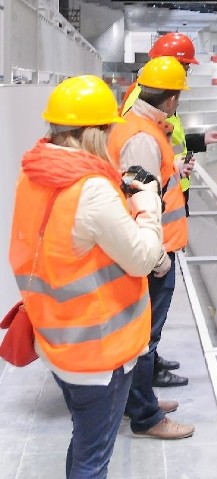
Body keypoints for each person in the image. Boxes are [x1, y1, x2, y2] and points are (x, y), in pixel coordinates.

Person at [8, 75, 166, 478]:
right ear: (94, 132)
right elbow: (142, 258)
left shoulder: (35, 174)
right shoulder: (91, 190)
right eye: (109, 129)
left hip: (58, 340)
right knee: (93, 460)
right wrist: (148, 204)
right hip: (100, 355)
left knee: (85, 442)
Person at [123, 32, 217, 385]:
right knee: (151, 312)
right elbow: (140, 179)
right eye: (184, 68)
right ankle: (143, 390)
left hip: (168, 212)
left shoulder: (147, 101)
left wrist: (193, 146)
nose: (185, 77)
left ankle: (149, 366)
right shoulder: (140, 114)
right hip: (157, 232)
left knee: (154, 314)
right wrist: (155, 253)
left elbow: (167, 145)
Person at [108, 56, 195, 439]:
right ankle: (145, 416)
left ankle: (139, 399)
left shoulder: (140, 128)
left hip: (154, 250)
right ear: (171, 100)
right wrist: (157, 257)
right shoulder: (142, 137)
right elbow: (137, 201)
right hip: (152, 255)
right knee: (145, 337)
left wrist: (173, 167)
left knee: (145, 335)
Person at [121, 32, 217, 217]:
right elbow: (135, 164)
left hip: (172, 187)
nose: (186, 73)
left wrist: (200, 140)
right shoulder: (145, 98)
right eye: (185, 66)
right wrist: (172, 167)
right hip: (162, 199)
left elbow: (166, 141)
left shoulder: (153, 97)